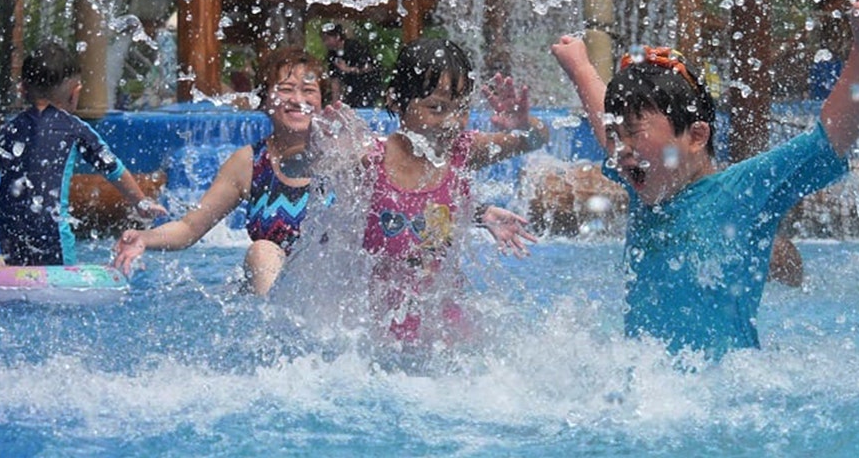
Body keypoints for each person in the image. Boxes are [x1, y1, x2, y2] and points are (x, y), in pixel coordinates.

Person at [550, 0, 859, 360]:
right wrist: (581, 69)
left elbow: (831, 137)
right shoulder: (644, 180)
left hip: (724, 385)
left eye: (633, 133)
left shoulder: (741, 190)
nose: (620, 149)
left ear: (696, 136)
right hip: (650, 386)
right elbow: (606, 126)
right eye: (616, 136)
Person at [309, 37, 547, 346]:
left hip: (443, 318)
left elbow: (535, 140)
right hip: (378, 323)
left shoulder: (463, 152)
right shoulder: (371, 160)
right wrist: (323, 147)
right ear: (396, 100)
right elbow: (314, 182)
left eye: (461, 108)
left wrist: (524, 124)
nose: (452, 121)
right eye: (436, 107)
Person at [112, 46, 329, 295]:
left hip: (333, 290)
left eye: (309, 90)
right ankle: (272, 317)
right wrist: (144, 238)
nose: (298, 100)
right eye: (286, 89)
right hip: (274, 292)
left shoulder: (346, 155)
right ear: (264, 99)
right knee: (262, 252)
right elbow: (189, 228)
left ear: (322, 101)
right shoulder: (248, 163)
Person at [0, 41, 166, 266]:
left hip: (10, 231)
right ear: (75, 94)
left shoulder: (9, 128)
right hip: (52, 232)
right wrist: (140, 202)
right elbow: (113, 168)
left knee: (21, 273)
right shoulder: (75, 129)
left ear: (22, 89)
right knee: (63, 278)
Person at [322, 23, 383, 107]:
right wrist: (335, 103)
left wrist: (348, 69)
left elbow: (369, 67)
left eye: (327, 39)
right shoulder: (332, 55)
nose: (325, 43)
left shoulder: (354, 47)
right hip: (353, 88)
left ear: (337, 37)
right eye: (324, 40)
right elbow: (335, 81)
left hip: (369, 85)